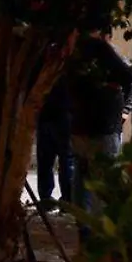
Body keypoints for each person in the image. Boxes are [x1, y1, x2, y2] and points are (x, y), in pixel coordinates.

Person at [66, 27, 132, 208]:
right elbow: (127, 77)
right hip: (103, 127)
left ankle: (84, 227)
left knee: (82, 175)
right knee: (103, 180)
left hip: (81, 125)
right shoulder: (98, 50)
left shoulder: (73, 54)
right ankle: (99, 227)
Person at [35, 82, 75, 210]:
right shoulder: (69, 69)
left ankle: (46, 198)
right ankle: (67, 200)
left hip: (46, 115)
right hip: (64, 116)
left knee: (46, 160)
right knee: (66, 161)